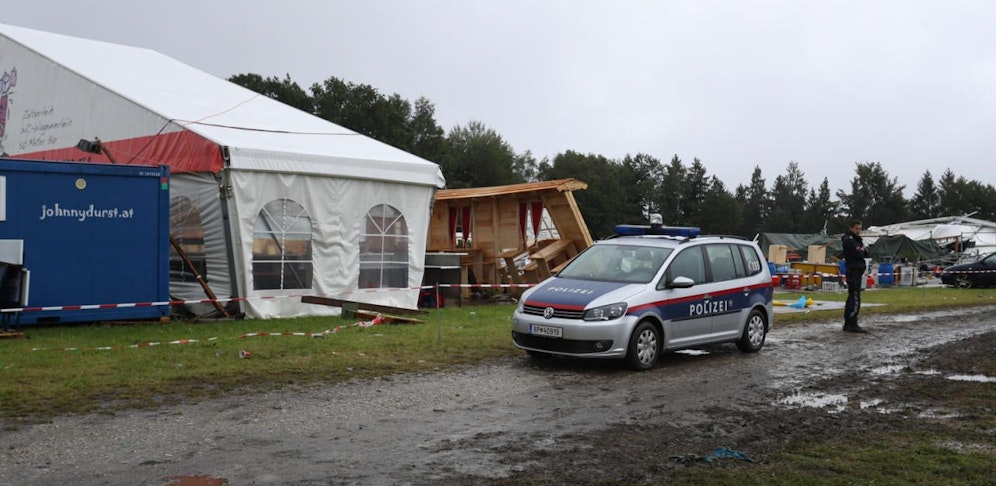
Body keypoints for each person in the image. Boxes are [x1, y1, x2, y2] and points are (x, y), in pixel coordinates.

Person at [841, 219, 869, 333]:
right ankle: (852, 322)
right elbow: (858, 252)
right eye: (856, 229)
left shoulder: (857, 239)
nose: (858, 231)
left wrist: (862, 250)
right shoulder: (849, 239)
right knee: (855, 296)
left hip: (857, 269)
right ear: (851, 228)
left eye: (860, 229)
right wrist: (861, 250)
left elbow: (865, 252)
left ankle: (848, 322)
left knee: (852, 296)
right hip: (853, 270)